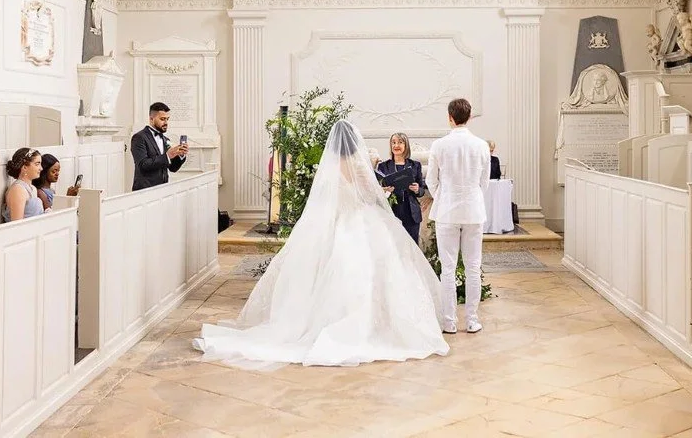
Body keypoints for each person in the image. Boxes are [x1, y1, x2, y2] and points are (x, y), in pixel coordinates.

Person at [192, 120, 447, 368]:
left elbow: (329, 201)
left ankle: (323, 321)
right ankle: (372, 325)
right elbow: (369, 196)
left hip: (338, 224)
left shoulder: (331, 167)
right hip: (361, 223)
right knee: (371, 273)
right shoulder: (359, 167)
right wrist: (386, 192)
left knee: (331, 273)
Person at [426, 97, 490, 334]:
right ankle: (472, 320)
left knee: (448, 269)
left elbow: (431, 180)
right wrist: (472, 197)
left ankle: (449, 321)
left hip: (447, 211)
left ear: (450, 117)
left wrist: (443, 197)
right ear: (470, 116)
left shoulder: (439, 145)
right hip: (473, 211)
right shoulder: (482, 145)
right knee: (473, 267)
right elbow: (484, 183)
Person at [375, 132, 426, 243]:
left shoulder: (415, 165)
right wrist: (384, 190)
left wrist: (418, 189)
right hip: (391, 209)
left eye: (400, 142)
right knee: (393, 245)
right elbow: (376, 190)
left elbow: (422, 190)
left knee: (412, 246)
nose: (396, 145)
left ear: (406, 145)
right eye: (393, 142)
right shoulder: (383, 166)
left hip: (411, 212)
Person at [131, 102, 188, 191]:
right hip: (144, 190)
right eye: (162, 119)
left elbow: (173, 168)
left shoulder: (165, 139)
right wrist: (167, 156)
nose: (166, 123)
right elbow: (143, 165)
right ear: (151, 119)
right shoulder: (139, 137)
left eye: (167, 119)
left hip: (163, 190)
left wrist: (180, 155)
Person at [3, 148, 45, 222]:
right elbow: (17, 224)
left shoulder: (33, 188)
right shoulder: (18, 189)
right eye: (37, 164)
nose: (41, 168)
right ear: (24, 167)